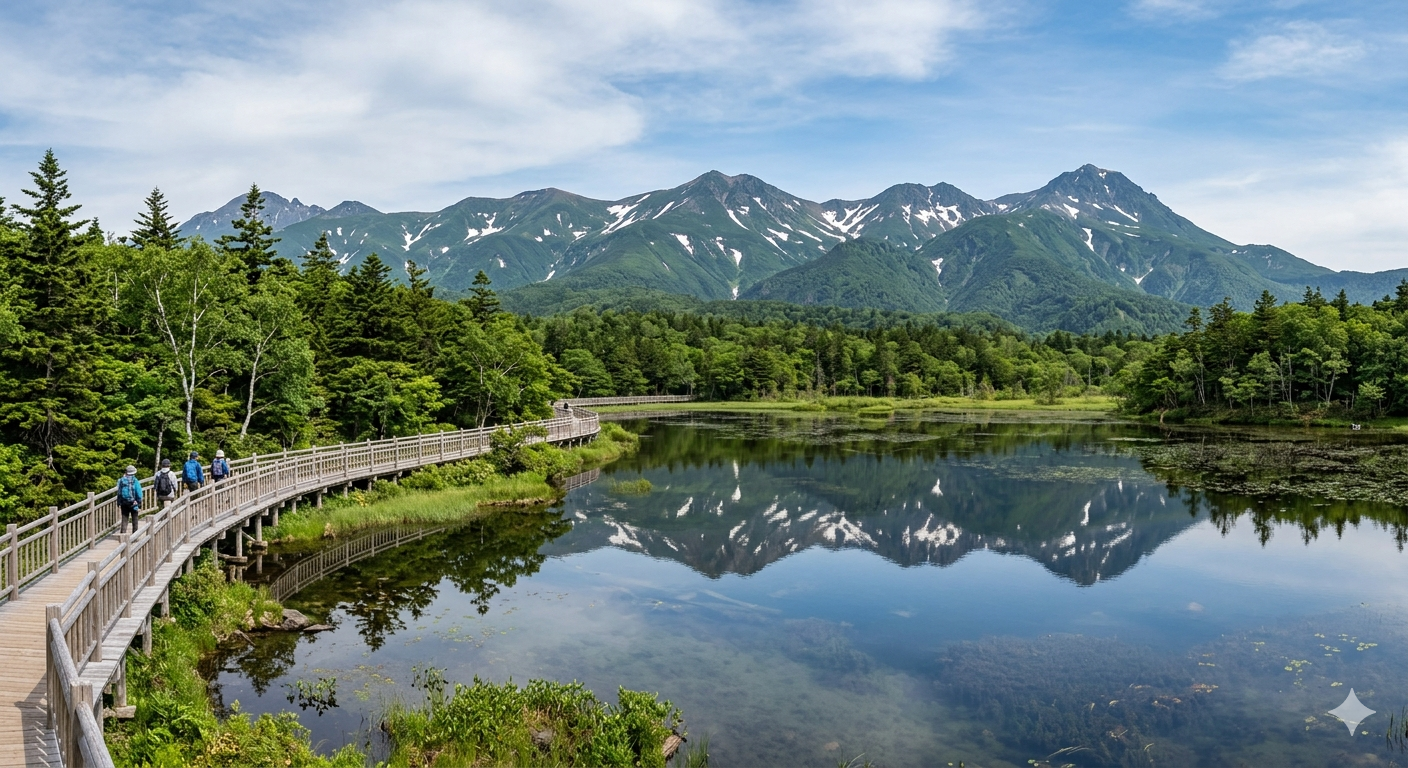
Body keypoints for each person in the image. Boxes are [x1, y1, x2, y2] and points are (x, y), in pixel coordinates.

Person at [116, 465, 143, 534]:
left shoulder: (121, 480)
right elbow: (139, 492)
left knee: (124, 518)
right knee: (135, 519)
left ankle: (123, 533)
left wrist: (118, 502)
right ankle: (135, 534)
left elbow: (119, 492)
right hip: (133, 502)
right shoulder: (135, 480)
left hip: (124, 503)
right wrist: (139, 502)